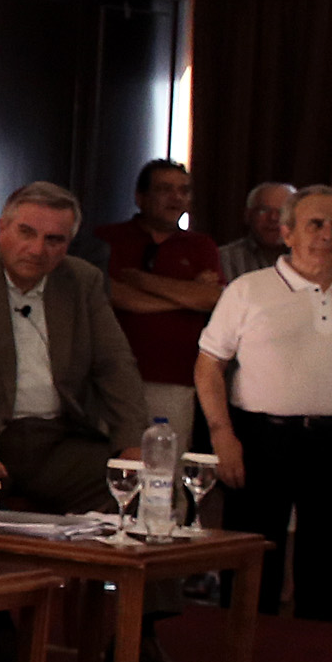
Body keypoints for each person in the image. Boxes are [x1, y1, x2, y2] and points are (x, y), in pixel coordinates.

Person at [0, 181, 187, 662]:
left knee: (149, 488)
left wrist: (132, 442)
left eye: (54, 239)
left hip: (59, 439)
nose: (38, 249)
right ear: (2, 227)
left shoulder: (80, 282)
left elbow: (115, 365)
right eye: (27, 232)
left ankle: (138, 634)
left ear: (69, 243)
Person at [197, 187, 332, 622]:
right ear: (288, 233)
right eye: (315, 224)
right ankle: (243, 651)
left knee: (329, 568)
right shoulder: (248, 290)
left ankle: (316, 658)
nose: (327, 235)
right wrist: (222, 436)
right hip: (261, 438)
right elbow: (209, 365)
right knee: (251, 564)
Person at [101, 159, 224, 454]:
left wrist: (143, 280)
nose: (176, 198)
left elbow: (212, 299)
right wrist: (186, 295)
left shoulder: (201, 245)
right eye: (165, 189)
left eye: (184, 191)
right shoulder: (107, 239)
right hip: (109, 376)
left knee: (166, 466)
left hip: (175, 377)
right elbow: (113, 294)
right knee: (111, 464)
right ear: (140, 197)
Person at [220, 181, 294, 282]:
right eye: (264, 210)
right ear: (248, 215)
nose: (273, 217)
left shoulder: (311, 257)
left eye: (283, 211)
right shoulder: (225, 259)